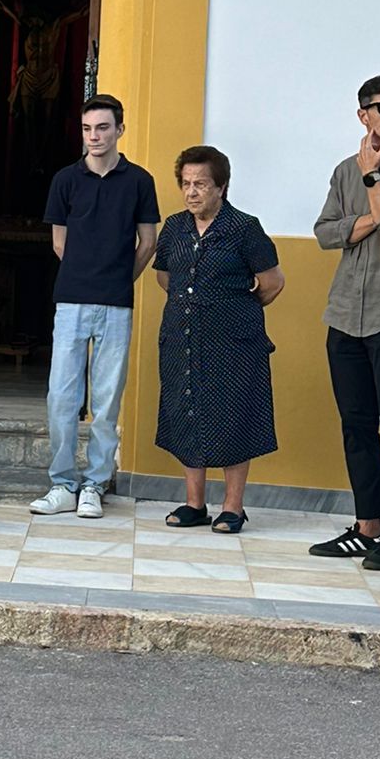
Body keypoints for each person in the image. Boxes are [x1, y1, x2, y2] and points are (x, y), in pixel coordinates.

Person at [31, 95, 160, 520]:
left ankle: (95, 484)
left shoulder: (139, 181)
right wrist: (85, 275)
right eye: (87, 129)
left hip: (116, 304)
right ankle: (63, 483)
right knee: (61, 396)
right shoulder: (65, 180)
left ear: (119, 130)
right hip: (70, 301)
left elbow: (148, 242)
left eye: (102, 128)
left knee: (106, 400)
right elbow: (59, 242)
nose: (94, 137)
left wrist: (120, 279)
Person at [309, 74, 380, 567]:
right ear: (363, 115)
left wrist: (376, 190)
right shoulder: (343, 170)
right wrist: (370, 218)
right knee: (356, 425)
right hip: (344, 312)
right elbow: (325, 232)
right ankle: (367, 525)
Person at [152, 146, 285, 534]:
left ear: (222, 187)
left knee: (233, 415)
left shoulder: (244, 228)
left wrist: (232, 307)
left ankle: (233, 506)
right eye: (186, 184)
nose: (192, 192)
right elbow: (166, 277)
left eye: (201, 184)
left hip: (234, 341)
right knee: (186, 409)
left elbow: (273, 282)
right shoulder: (175, 227)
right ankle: (195, 503)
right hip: (182, 337)